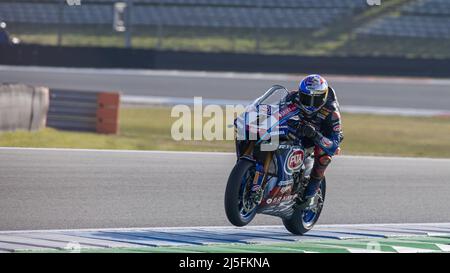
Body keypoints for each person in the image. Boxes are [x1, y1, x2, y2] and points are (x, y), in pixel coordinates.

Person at [286, 74, 344, 208]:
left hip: (321, 136)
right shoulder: (292, 97)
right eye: (307, 98)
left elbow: (334, 145)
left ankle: (310, 195)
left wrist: (315, 134)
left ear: (323, 97)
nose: (310, 103)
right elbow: (276, 111)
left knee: (324, 156)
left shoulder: (332, 112)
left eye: (315, 99)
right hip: (297, 129)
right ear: (301, 93)